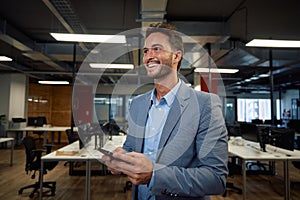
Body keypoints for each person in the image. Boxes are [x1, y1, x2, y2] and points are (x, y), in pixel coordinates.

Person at [102, 23, 228, 200]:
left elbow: (216, 179)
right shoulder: (138, 104)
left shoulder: (205, 105)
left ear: (176, 56)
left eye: (156, 49)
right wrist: (121, 160)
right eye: (146, 51)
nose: (149, 57)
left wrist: (155, 175)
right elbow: (131, 148)